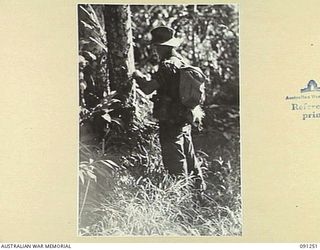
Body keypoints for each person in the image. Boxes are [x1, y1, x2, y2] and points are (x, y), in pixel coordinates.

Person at [133, 26, 205, 190]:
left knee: (174, 159)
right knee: (189, 155)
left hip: (171, 119)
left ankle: (180, 196)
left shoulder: (166, 66)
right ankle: (198, 192)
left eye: (156, 47)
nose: (155, 50)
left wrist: (136, 75)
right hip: (184, 116)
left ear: (161, 46)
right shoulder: (181, 62)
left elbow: (148, 88)